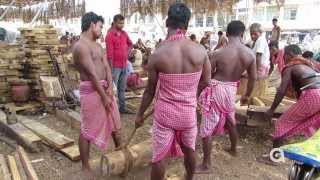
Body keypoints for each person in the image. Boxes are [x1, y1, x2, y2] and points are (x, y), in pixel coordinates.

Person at [135, 3, 211, 180]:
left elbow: (150, 91)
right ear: (186, 25)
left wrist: (139, 115)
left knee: (159, 156)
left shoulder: (158, 54)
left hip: (165, 115)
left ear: (168, 21)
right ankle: (189, 178)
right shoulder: (200, 51)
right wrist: (192, 95)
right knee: (189, 149)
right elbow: (206, 81)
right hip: (188, 114)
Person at [196, 21, 257, 174]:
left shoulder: (218, 53)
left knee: (207, 126)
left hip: (216, 88)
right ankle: (234, 148)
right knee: (230, 120)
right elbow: (253, 78)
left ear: (227, 34)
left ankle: (206, 165)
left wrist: (197, 93)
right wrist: (246, 96)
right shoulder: (250, 54)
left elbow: (206, 78)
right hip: (231, 89)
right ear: (243, 34)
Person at [73, 12, 122, 179]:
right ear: (92, 25)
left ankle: (121, 155)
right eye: (100, 26)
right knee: (86, 130)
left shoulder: (98, 46)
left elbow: (106, 66)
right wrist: (103, 96)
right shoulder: (80, 46)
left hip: (104, 89)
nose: (101, 30)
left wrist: (109, 87)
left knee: (115, 123)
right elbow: (92, 74)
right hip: (91, 91)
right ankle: (85, 167)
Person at [265, 44, 320, 150]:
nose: (284, 59)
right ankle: (286, 146)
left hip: (313, 96)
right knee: (297, 121)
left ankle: (275, 157)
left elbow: (281, 90)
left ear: (289, 55)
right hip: (317, 94)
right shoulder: (308, 64)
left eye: (284, 56)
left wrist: (271, 110)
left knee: (281, 122)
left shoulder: (291, 66)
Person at [106, 14, 133, 114]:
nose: (122, 25)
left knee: (122, 88)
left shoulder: (124, 34)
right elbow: (109, 54)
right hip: (115, 67)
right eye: (120, 23)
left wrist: (127, 52)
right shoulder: (109, 35)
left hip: (124, 65)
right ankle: (111, 110)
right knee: (112, 89)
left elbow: (131, 44)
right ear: (115, 23)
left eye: (123, 23)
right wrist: (111, 70)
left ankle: (122, 108)